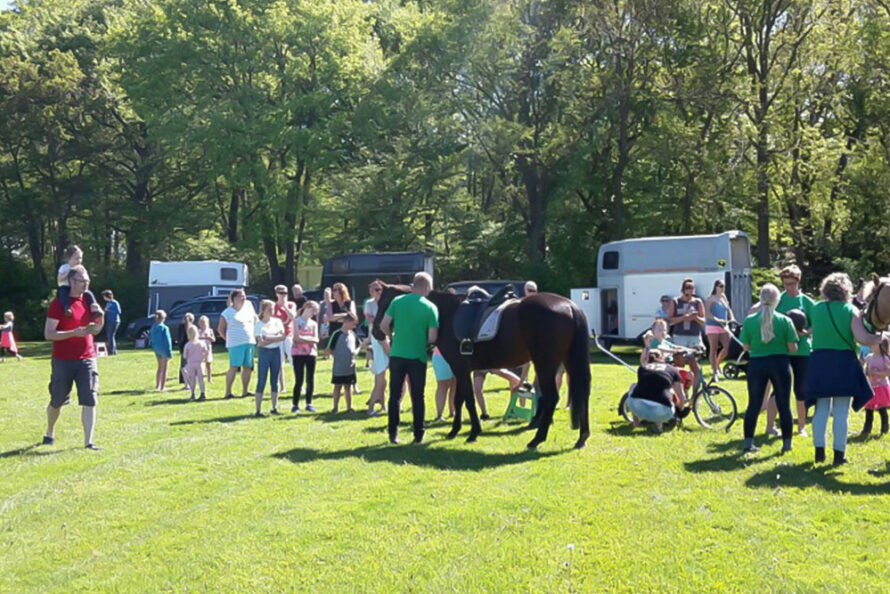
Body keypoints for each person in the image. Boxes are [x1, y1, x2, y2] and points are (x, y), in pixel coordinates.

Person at [804, 272, 883, 465]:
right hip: (843, 362)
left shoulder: (816, 308)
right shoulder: (850, 310)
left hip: (819, 361)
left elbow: (811, 330)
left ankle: (819, 452)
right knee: (841, 411)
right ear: (846, 290)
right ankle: (839, 455)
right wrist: (879, 338)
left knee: (821, 409)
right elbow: (862, 338)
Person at [42, 265, 104, 449]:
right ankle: (50, 431)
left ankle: (88, 442)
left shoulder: (89, 301)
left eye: (87, 281)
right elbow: (49, 334)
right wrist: (73, 333)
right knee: (57, 399)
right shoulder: (59, 304)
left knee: (90, 399)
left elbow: (98, 328)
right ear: (70, 281)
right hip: (63, 359)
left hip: (87, 358)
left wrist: (97, 324)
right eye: (80, 281)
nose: (84, 285)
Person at [380, 271, 439, 444]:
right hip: (417, 356)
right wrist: (420, 339)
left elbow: (383, 325)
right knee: (417, 396)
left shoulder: (397, 302)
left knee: (395, 395)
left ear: (413, 285)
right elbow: (433, 337)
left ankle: (393, 433)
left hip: (397, 354)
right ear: (427, 287)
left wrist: (392, 336)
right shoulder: (430, 307)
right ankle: (418, 435)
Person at [739, 283, 799, 453]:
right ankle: (787, 444)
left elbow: (745, 347)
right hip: (780, 363)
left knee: (754, 404)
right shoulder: (785, 320)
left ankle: (748, 443)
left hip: (757, 363)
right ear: (777, 300)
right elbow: (792, 348)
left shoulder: (750, 321)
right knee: (784, 404)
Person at [775, 264, 816, 437]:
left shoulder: (806, 301)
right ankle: (772, 424)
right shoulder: (779, 299)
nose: (789, 287)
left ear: (798, 281)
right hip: (782, 350)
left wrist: (806, 332)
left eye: (792, 283)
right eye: (785, 284)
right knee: (779, 388)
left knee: (801, 389)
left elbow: (816, 322)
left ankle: (801, 426)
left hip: (803, 351)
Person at [626, 350, 689, 433]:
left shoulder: (642, 368)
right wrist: (680, 408)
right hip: (662, 412)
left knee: (633, 386)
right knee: (668, 391)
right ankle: (659, 425)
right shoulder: (673, 370)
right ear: (663, 358)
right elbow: (682, 398)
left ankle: (636, 422)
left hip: (637, 409)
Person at [218, 289, 258, 400]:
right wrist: (229, 339)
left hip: (249, 341)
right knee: (234, 367)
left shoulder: (249, 308)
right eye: (241, 296)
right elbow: (221, 329)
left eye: (244, 296)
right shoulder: (227, 312)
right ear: (234, 298)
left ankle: (245, 391)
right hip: (235, 344)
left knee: (248, 367)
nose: (243, 298)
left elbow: (256, 321)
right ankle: (228, 392)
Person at [668, 278, 705, 388]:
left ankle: (695, 394)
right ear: (683, 289)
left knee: (695, 366)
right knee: (680, 365)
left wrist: (695, 317)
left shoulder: (698, 302)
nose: (690, 290)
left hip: (694, 336)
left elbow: (703, 321)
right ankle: (681, 391)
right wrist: (684, 317)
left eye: (692, 288)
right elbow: (670, 320)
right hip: (680, 336)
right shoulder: (675, 301)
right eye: (688, 288)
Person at [326, 282, 359, 394]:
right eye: (333, 290)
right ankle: (338, 383)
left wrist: (337, 317)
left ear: (341, 291)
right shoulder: (332, 304)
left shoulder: (350, 303)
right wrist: (344, 317)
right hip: (336, 332)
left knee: (350, 357)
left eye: (335, 290)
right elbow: (329, 317)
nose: (333, 292)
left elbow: (353, 317)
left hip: (348, 332)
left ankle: (354, 384)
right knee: (338, 359)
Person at [254, 299, 286, 416]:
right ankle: (258, 409)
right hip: (264, 353)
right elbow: (260, 343)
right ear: (263, 311)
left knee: (275, 379)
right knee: (261, 379)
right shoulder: (258, 325)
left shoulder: (277, 321)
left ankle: (274, 407)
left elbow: (282, 336)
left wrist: (269, 338)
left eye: (273, 309)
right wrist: (274, 337)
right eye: (269, 310)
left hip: (275, 351)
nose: (272, 311)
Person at [363, 281, 389, 416]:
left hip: (385, 337)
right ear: (370, 290)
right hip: (377, 336)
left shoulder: (386, 302)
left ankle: (383, 403)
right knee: (380, 372)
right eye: (375, 289)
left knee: (383, 373)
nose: (378, 292)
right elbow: (371, 319)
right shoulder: (369, 303)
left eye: (380, 289)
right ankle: (371, 406)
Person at [56, 245, 101, 319]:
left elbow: (87, 278)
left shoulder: (81, 268)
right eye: (76, 258)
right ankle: (67, 308)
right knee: (62, 292)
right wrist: (68, 272)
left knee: (89, 293)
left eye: (80, 258)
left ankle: (94, 308)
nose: (79, 261)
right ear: (68, 258)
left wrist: (85, 285)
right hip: (66, 286)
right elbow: (59, 279)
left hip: (79, 288)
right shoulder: (64, 267)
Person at [326, 312, 359, 413]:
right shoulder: (337, 334)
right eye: (353, 324)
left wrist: (355, 353)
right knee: (337, 386)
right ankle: (335, 407)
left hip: (350, 366)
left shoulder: (353, 334)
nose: (354, 326)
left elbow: (358, 346)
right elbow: (329, 349)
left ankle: (349, 407)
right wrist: (337, 356)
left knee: (348, 387)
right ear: (347, 322)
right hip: (339, 367)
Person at [291, 300, 320, 413]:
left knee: (310, 379)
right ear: (307, 308)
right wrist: (309, 339)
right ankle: (295, 404)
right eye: (313, 310)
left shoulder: (313, 324)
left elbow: (316, 339)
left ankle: (309, 403)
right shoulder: (296, 321)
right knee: (299, 379)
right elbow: (296, 338)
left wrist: (305, 339)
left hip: (311, 353)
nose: (314, 313)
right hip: (298, 354)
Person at [704, 280, 735, 380]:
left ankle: (717, 362)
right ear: (716, 287)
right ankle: (715, 371)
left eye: (724, 286)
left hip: (724, 326)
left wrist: (732, 318)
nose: (722, 288)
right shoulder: (711, 298)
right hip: (713, 326)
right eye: (720, 286)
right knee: (714, 348)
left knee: (727, 348)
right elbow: (707, 314)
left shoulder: (723, 297)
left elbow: (728, 309)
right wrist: (718, 320)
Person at [861, 335, 890, 437]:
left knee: (882, 409)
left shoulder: (885, 358)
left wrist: (878, 373)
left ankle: (885, 427)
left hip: (881, 388)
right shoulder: (869, 357)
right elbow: (866, 370)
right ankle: (867, 428)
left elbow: (888, 372)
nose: (872, 344)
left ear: (881, 345)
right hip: (871, 388)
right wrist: (867, 372)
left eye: (874, 343)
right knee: (869, 409)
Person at [273, 285, 297, 395]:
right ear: (276, 294)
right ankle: (282, 387)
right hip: (277, 336)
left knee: (294, 360)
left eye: (285, 293)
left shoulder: (291, 304)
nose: (283, 295)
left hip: (288, 335)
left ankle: (299, 385)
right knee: (279, 362)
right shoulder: (273, 306)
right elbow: (272, 321)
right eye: (281, 293)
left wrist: (285, 307)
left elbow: (293, 317)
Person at [182, 325, 209, 401]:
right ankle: (203, 393)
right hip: (200, 363)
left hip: (191, 363)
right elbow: (206, 352)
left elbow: (184, 356)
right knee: (201, 379)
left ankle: (193, 393)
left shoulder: (187, 345)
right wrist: (204, 357)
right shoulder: (202, 343)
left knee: (192, 379)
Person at [151, 310, 173, 391]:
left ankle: (158, 385)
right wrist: (169, 351)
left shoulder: (153, 327)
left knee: (159, 367)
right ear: (163, 318)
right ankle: (163, 387)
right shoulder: (164, 328)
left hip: (157, 349)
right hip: (164, 349)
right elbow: (167, 341)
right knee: (165, 369)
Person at [432, 346, 456, 421]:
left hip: (457, 356)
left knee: (455, 385)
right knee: (443, 386)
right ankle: (439, 415)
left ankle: (453, 412)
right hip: (441, 356)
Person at [177, 312, 196, 387]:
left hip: (184, 348)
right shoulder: (193, 327)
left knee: (183, 366)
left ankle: (186, 383)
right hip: (192, 348)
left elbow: (180, 338)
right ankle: (192, 381)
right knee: (191, 365)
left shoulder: (181, 327)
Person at [100, 290, 121, 355]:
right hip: (109, 321)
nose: (103, 298)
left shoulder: (115, 302)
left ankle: (112, 351)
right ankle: (113, 350)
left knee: (111, 336)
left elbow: (119, 311)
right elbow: (105, 311)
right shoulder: (108, 303)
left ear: (107, 296)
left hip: (114, 321)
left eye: (104, 296)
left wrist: (109, 310)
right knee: (110, 336)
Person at [197, 315, 215, 382]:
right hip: (200, 349)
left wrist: (209, 337)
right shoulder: (198, 331)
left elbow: (213, 339)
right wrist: (203, 338)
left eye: (204, 323)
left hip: (208, 349)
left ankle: (209, 378)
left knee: (208, 363)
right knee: (200, 363)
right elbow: (196, 339)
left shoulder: (210, 331)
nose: (203, 325)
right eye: (201, 323)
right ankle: (200, 377)